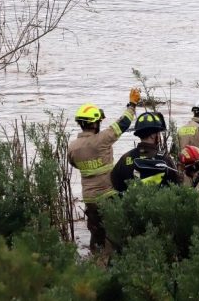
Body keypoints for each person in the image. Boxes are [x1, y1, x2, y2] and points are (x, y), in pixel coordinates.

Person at [67, 88, 140, 253]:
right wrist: (132, 104)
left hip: (89, 199)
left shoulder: (72, 148)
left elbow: (75, 164)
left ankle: (95, 262)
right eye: (98, 121)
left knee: (96, 233)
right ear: (93, 123)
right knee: (115, 234)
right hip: (108, 196)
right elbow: (124, 123)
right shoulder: (102, 139)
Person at [110, 111, 182, 192]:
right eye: (158, 132)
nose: (159, 135)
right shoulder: (165, 159)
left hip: (132, 203)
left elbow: (115, 184)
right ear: (153, 135)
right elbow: (177, 186)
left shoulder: (125, 158)